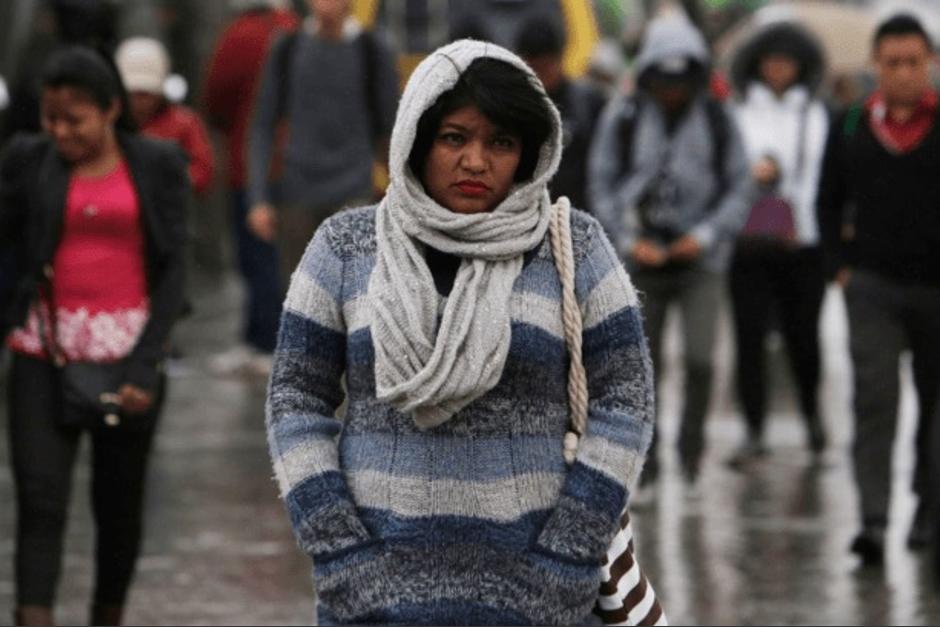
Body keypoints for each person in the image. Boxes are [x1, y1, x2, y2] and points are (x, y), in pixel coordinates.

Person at [265, 39, 654, 625]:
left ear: (529, 152)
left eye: (500, 143)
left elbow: (625, 400)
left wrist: (567, 555)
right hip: (373, 597)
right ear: (416, 143)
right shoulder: (344, 248)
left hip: (535, 596)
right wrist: (341, 553)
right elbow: (294, 400)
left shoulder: (574, 246)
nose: (476, 161)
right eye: (454, 138)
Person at [0, 47, 189, 626]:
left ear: (110, 109)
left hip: (128, 359)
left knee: (118, 508)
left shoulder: (157, 163)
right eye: (50, 118)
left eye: (73, 119)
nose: (60, 131)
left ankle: (107, 616)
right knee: (40, 503)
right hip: (42, 352)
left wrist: (145, 368)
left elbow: (175, 269)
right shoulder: (26, 161)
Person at [589, 12, 751, 486]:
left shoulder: (719, 118)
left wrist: (701, 236)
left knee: (702, 360)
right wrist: (627, 239)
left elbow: (740, 186)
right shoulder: (625, 115)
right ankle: (650, 460)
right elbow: (604, 181)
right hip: (642, 258)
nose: (672, 91)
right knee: (645, 368)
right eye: (663, 80)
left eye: (681, 81)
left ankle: (692, 451)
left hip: (701, 258)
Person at [817, 13, 940, 565]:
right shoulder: (851, 125)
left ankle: (929, 510)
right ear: (876, 66)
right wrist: (839, 268)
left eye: (914, 61)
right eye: (893, 62)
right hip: (871, 288)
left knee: (934, 409)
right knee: (875, 402)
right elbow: (825, 201)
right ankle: (872, 519)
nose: (904, 72)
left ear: (930, 64)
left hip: (936, 290)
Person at [726, 22, 829, 466]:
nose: (778, 70)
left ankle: (812, 415)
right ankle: (754, 427)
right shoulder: (738, 111)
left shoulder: (816, 114)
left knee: (803, 338)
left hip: (801, 245)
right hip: (748, 243)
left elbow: (821, 178)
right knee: (748, 339)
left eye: (786, 62)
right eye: (770, 61)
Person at [247, 0, 398, 297]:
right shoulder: (287, 47)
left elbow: (390, 129)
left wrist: (402, 193)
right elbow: (263, 124)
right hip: (297, 194)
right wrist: (258, 198)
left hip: (354, 191)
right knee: (300, 298)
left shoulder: (371, 49)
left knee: (358, 297)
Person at [203, 0, 299, 375]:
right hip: (297, 168)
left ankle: (263, 343)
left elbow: (217, 94)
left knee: (256, 257)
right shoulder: (294, 30)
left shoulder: (242, 35)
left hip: (251, 163)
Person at [516, 15, 607, 213]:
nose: (541, 75)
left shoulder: (589, 103)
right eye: (534, 67)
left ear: (559, 58)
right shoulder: (513, 107)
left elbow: (605, 167)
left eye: (546, 66)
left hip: (582, 212)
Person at [115, 37, 214, 198]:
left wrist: (170, 181)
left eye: (146, 94)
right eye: (133, 94)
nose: (139, 102)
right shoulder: (111, 124)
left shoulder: (184, 122)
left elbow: (202, 172)